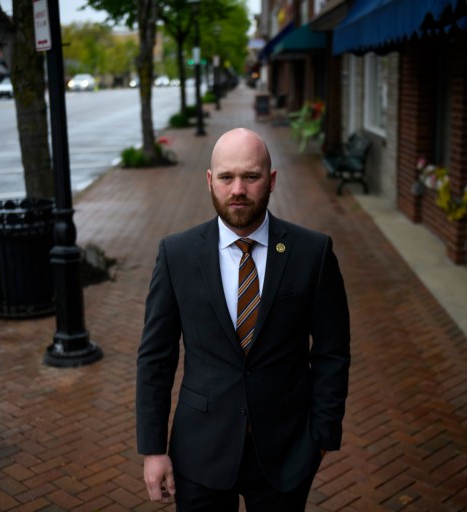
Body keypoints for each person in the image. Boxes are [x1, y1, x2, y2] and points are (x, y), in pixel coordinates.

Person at [136, 127, 351, 511]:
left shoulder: (312, 252)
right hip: (200, 450)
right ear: (209, 181)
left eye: (250, 177)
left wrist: (322, 435)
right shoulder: (177, 255)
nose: (238, 189)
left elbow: (333, 351)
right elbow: (156, 358)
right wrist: (153, 449)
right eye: (227, 177)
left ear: (271, 181)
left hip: (287, 451)